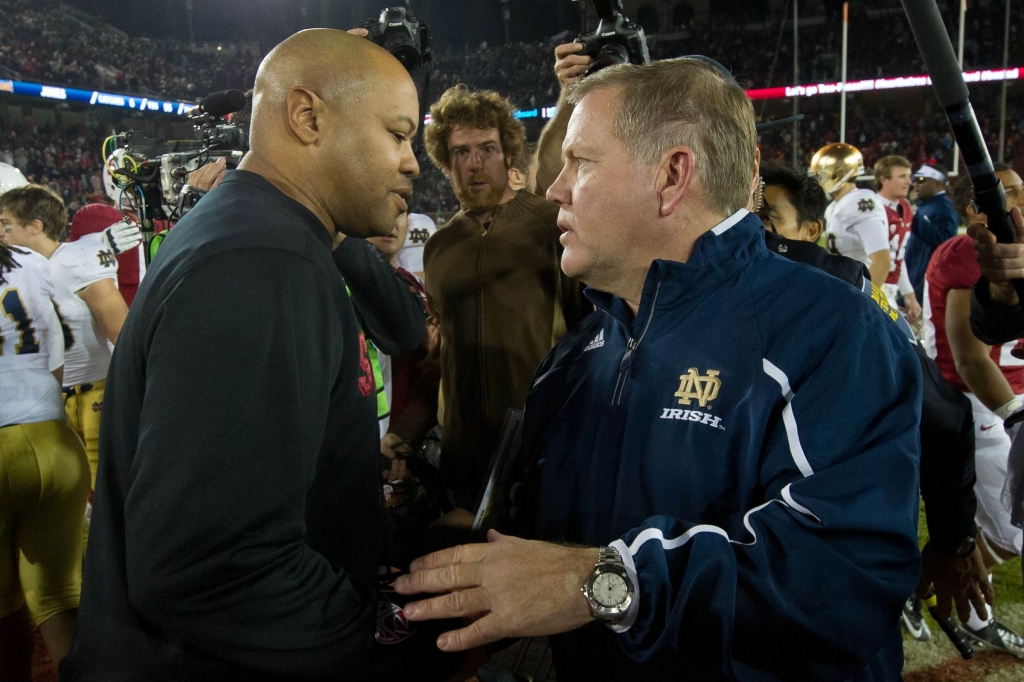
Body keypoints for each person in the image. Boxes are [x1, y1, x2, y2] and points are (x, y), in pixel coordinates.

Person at [394, 58, 922, 681]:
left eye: (580, 163)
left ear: (672, 175)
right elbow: (544, 543)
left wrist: (595, 583)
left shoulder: (832, 332)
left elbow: (842, 582)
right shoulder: (578, 354)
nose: (554, 189)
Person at [61, 29, 459, 681]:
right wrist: (377, 641)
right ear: (307, 117)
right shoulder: (260, 258)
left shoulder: (265, 234)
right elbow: (205, 567)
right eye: (397, 133)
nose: (414, 161)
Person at [758, 161, 990, 644]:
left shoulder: (846, 294)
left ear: (811, 230)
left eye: (768, 218)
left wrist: (954, 538)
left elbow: (943, 416)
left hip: (825, 558)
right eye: (745, 213)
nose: (754, 230)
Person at [386, 84, 588, 506]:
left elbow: (590, 343)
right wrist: (402, 434)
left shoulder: (553, 226)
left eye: (487, 149)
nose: (475, 165)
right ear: (445, 161)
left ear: (509, 154)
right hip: (462, 466)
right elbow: (442, 360)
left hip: (542, 460)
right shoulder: (439, 248)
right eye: (461, 152)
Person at [922, 176, 1024, 656]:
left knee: (999, 528)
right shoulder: (968, 252)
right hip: (982, 405)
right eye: (1005, 193)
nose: (1016, 201)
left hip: (1007, 400)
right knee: (1011, 529)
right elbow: (970, 357)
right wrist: (1014, 412)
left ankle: (932, 588)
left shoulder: (1013, 250)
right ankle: (942, 595)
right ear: (971, 207)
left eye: (1019, 191)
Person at [0, 186, 139, 492]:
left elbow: (124, 332)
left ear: (35, 226)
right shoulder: (19, 272)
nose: (2, 234)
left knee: (111, 492)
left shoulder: (77, 260)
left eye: (6, 225)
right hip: (53, 401)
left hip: (97, 394)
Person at [0, 234, 90, 679]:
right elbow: (57, 352)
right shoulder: (28, 260)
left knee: (3, 607)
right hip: (53, 438)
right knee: (58, 598)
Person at [812, 142, 892, 289]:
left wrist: (864, 299)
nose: (819, 180)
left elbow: (882, 260)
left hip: (862, 289)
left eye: (821, 175)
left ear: (839, 174)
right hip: (846, 287)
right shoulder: (835, 206)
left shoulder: (859, 202)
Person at [874, 155, 922, 319]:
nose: (909, 181)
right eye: (902, 176)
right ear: (884, 179)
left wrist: (909, 293)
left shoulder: (904, 207)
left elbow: (897, 256)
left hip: (891, 287)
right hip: (875, 284)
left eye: (909, 176)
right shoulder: (873, 209)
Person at [906, 163, 959, 301]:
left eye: (922, 180)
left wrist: (914, 217)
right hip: (914, 275)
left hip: (924, 279)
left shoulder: (944, 207)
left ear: (937, 184)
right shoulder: (927, 205)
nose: (916, 184)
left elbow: (944, 241)